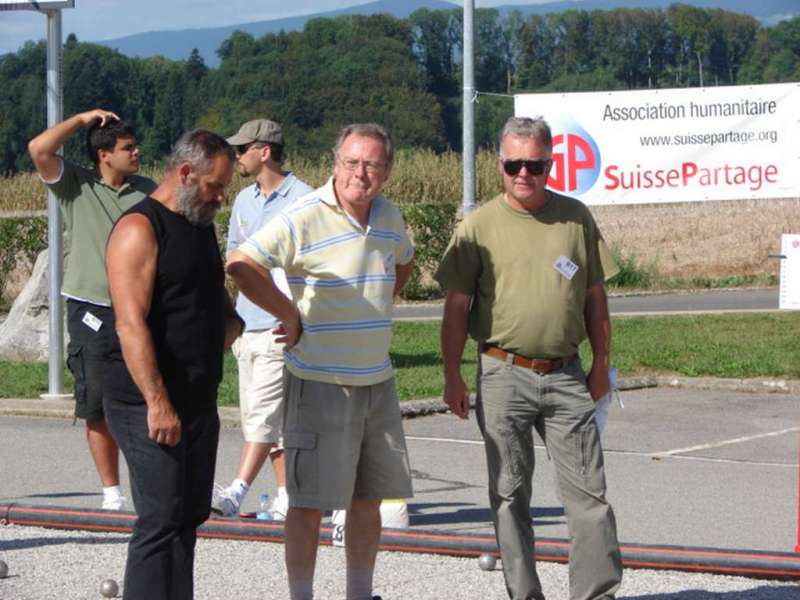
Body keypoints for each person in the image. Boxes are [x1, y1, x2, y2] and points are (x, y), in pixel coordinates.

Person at [435, 116, 623, 600]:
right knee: (509, 494)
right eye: (514, 164)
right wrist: (452, 375)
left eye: (535, 165)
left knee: (589, 497)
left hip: (566, 376)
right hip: (502, 375)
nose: (524, 174)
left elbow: (595, 295)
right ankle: (524, 595)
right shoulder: (477, 226)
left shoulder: (575, 218)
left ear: (550, 164)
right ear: (500, 164)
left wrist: (601, 362)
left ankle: (596, 594)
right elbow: (457, 307)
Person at [227, 123, 414, 600]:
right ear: (335, 163)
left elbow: (404, 262)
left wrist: (379, 305)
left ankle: (358, 593)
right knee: (308, 504)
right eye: (352, 162)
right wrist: (287, 311)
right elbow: (242, 264)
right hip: (320, 381)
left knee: (368, 500)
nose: (361, 174)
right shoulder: (304, 214)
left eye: (372, 165)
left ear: (387, 171)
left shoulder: (390, 216)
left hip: (378, 381)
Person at [103, 130, 243, 600]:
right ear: (184, 173)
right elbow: (129, 324)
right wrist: (157, 402)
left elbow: (202, 283)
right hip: (147, 401)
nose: (221, 197)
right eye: (215, 186)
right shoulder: (138, 229)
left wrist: (229, 318)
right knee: (161, 519)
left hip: (198, 397)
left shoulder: (199, 222)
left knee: (188, 516)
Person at [27, 109, 157, 511]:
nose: (136, 153)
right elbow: (38, 148)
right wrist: (83, 119)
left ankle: (149, 486)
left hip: (139, 310)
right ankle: (111, 495)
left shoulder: (148, 190)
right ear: (105, 155)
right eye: (127, 148)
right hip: (91, 309)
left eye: (135, 146)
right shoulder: (75, 186)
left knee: (146, 397)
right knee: (96, 402)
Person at [211, 119, 314, 518]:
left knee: (262, 414)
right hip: (247, 324)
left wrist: (293, 313)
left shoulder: (304, 198)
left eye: (242, 150)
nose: (236, 157)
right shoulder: (243, 201)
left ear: (264, 151)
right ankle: (288, 495)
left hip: (279, 324)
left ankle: (237, 490)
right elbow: (235, 258)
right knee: (270, 416)